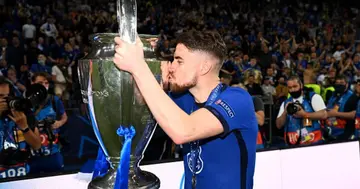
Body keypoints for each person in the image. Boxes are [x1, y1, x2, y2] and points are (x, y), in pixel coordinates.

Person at [113, 30, 258, 189]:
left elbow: (183, 130)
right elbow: (138, 104)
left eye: (179, 61)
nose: (172, 66)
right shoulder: (182, 98)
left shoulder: (238, 99)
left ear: (204, 67)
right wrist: (154, 74)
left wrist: (139, 67)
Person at [0, 76, 41, 178]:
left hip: (21, 172)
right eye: (0, 96)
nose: (5, 100)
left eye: (7, 96)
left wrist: (24, 127)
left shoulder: (23, 112)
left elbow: (37, 145)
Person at [28, 72, 67, 173]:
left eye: (46, 83)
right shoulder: (25, 102)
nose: (44, 85)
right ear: (32, 83)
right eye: (40, 82)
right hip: (31, 155)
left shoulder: (54, 99)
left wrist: (59, 123)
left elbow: (64, 117)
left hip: (53, 152)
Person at [276, 75, 327, 146]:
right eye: (290, 88)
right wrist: (285, 112)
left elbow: (324, 115)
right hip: (291, 145)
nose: (293, 90)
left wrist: (305, 114)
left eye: (295, 86)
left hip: (313, 144)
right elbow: (278, 125)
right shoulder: (285, 103)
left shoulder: (312, 97)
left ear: (301, 85)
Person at [322, 75, 359, 141]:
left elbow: (355, 115)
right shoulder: (333, 95)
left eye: (341, 83)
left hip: (345, 133)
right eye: (337, 83)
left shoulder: (353, 97)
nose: (339, 85)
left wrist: (336, 114)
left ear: (347, 84)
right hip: (331, 130)